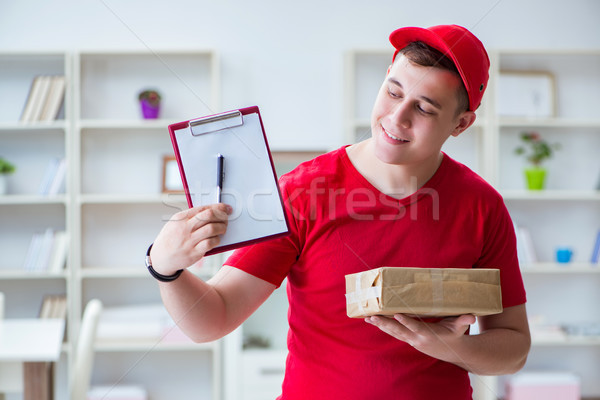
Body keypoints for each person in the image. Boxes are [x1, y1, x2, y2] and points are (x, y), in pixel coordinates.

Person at [148, 24, 531, 399]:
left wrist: (448, 347)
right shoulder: (302, 192)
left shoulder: (483, 207)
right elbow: (213, 318)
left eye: (425, 109)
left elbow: (513, 347)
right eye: (393, 92)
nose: (397, 118)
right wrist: (165, 267)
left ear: (460, 124)